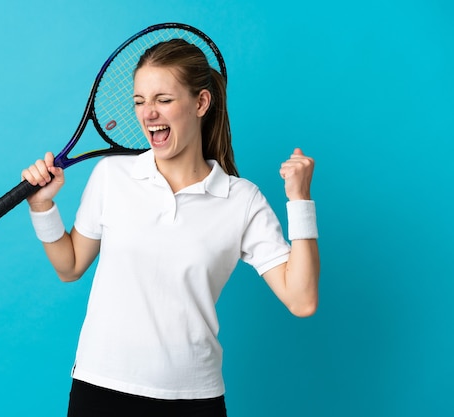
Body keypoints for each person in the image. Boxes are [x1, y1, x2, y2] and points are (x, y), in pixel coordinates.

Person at [22, 39, 320, 417]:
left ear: (200, 103)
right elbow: (70, 266)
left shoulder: (240, 199)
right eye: (139, 101)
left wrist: (299, 200)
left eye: (163, 99)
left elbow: (303, 299)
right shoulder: (112, 176)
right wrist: (42, 206)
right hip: (100, 389)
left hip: (193, 399)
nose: (148, 113)